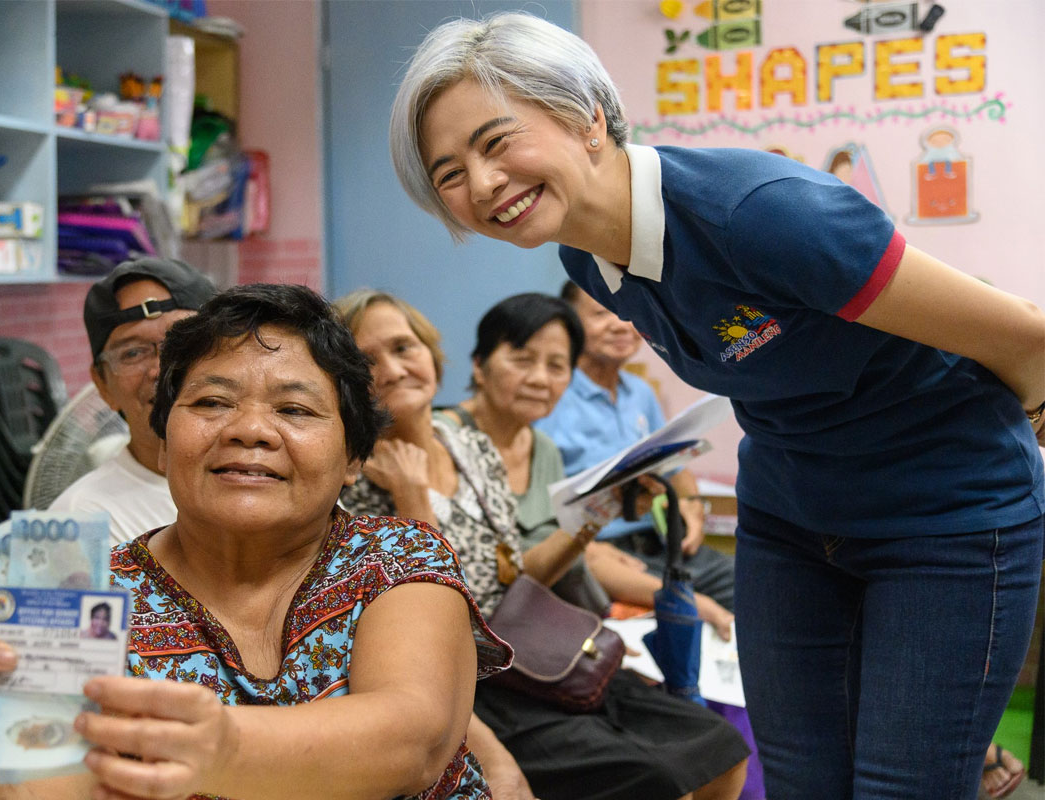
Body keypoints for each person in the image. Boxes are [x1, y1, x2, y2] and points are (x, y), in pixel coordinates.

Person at [388, 12, 1045, 799]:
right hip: (791, 519)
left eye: (497, 142)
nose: (482, 183)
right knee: (801, 783)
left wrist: (1018, 449)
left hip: (943, 517)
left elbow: (1027, 341)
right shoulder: (586, 259)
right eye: (449, 173)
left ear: (587, 115)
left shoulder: (764, 212)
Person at [0, 283, 511, 799]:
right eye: (211, 402)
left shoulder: (399, 556)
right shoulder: (77, 597)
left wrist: (218, 747)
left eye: (295, 409)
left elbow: (411, 739)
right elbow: (55, 782)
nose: (248, 429)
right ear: (165, 441)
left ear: (352, 460)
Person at [335, 289, 749, 800]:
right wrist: (411, 494)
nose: (394, 369)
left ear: (432, 354)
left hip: (530, 645)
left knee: (723, 751)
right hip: (473, 678)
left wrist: (589, 520)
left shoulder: (468, 443)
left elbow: (516, 573)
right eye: (368, 359)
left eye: (404, 347)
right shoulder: (353, 477)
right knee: (658, 780)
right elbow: (433, 617)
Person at [439, 291, 733, 637]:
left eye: (556, 366)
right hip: (498, 624)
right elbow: (496, 577)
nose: (539, 380)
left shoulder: (542, 446)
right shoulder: (448, 442)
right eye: (522, 359)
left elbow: (545, 558)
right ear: (479, 364)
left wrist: (684, 503)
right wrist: (592, 537)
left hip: (607, 561)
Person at [537, 281, 735, 611]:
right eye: (601, 313)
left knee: (752, 588)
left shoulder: (640, 392)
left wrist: (690, 503)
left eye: (626, 312)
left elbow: (676, 463)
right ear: (568, 322)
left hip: (662, 542)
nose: (620, 324)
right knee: (690, 611)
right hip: (598, 550)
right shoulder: (550, 395)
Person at [49, 256, 217, 544]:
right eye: (132, 353)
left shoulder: (267, 479)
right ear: (103, 385)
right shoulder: (80, 523)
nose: (159, 369)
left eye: (178, 344)